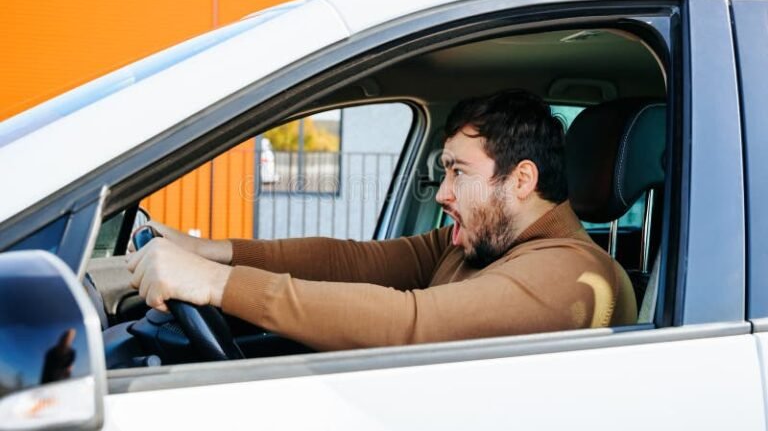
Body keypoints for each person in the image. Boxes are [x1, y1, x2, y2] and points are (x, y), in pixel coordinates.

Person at [127, 90, 637, 351]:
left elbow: (411, 322)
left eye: (458, 171)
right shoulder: (480, 245)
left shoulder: (571, 275)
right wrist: (212, 251)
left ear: (521, 180)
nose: (442, 193)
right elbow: (354, 262)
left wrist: (218, 284)